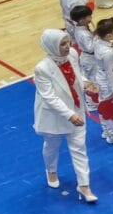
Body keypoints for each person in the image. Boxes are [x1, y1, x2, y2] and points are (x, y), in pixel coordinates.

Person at [32, 28, 94, 203]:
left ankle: (84, 186)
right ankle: (50, 170)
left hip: (77, 109)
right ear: (51, 46)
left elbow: (75, 76)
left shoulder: (73, 54)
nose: (68, 46)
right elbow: (49, 96)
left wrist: (86, 83)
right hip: (54, 116)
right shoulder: (42, 69)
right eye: (63, 44)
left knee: (79, 149)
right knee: (52, 145)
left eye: (68, 42)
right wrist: (69, 115)